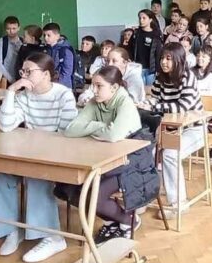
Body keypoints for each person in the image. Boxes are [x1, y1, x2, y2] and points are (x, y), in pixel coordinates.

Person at [0, 51, 77, 262]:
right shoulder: (24, 96)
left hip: (57, 154)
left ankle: (52, 236)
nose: (24, 75)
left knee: (36, 175)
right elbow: (6, 125)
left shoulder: (63, 94)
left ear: (46, 74)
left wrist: (38, 145)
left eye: (29, 71)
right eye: (22, 71)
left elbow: (67, 133)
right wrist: (11, 91)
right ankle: (13, 228)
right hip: (30, 152)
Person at [62, 65, 150, 242]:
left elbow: (113, 135)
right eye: (92, 85)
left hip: (131, 162)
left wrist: (92, 130)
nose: (93, 90)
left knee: (93, 195)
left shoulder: (125, 103)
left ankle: (129, 220)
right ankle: (112, 221)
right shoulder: (96, 102)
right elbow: (70, 130)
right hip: (103, 159)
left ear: (114, 87)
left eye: (99, 86)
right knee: (68, 187)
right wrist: (100, 126)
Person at [143, 43, 204, 214]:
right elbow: (154, 98)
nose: (164, 62)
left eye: (169, 59)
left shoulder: (188, 77)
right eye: (162, 58)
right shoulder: (161, 78)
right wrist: (145, 103)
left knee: (170, 153)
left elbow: (182, 107)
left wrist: (154, 107)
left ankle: (179, 203)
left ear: (178, 60)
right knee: (148, 152)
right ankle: (149, 195)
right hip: (169, 130)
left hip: (193, 129)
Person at [79, 45, 145, 105]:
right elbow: (86, 94)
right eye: (107, 61)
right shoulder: (102, 74)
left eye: (114, 61)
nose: (109, 64)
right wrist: (86, 100)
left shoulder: (134, 78)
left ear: (125, 63)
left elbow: (132, 101)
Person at [130, 9, 162, 85]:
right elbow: (131, 48)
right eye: (140, 18)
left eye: (144, 18)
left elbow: (158, 53)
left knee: (150, 89)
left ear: (150, 20)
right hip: (138, 67)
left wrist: (158, 69)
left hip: (151, 69)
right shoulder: (136, 33)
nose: (141, 20)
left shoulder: (156, 34)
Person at [40, 23, 75, 89]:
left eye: (48, 35)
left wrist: (58, 87)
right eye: (44, 35)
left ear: (57, 36)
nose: (45, 38)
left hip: (62, 86)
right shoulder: (45, 49)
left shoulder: (65, 50)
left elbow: (67, 72)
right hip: (48, 84)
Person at [0, 15, 23, 83]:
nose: (11, 31)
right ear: (5, 29)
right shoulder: (1, 42)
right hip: (5, 78)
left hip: (21, 78)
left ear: (18, 28)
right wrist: (11, 80)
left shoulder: (23, 42)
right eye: (8, 29)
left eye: (14, 28)